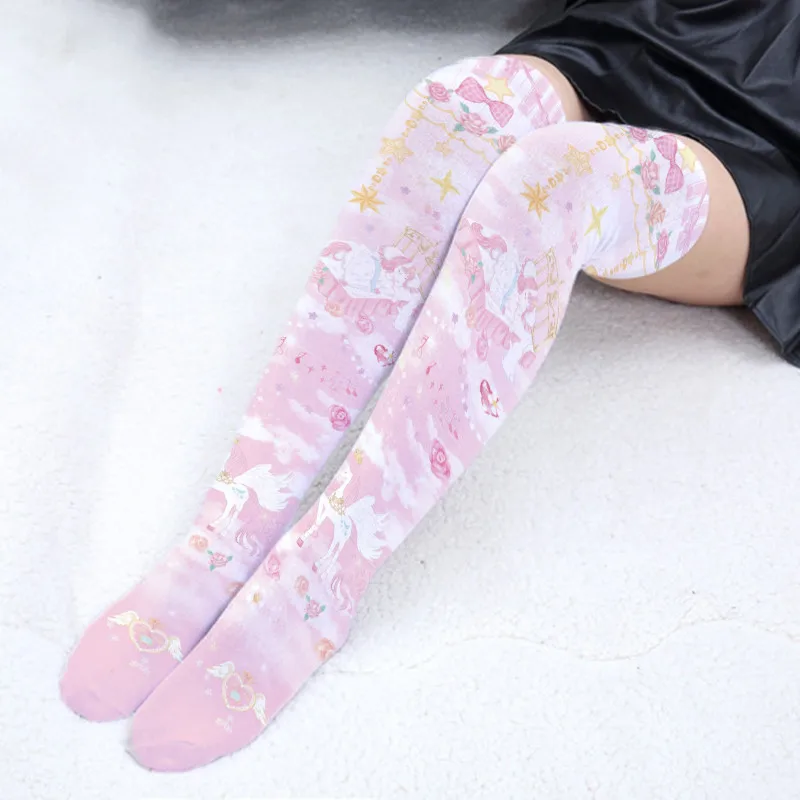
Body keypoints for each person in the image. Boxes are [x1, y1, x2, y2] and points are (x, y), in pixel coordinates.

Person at [60, 0, 800, 770]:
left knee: (554, 187)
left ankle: (316, 582)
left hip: (772, 142)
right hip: (658, 28)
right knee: (453, 112)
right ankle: (226, 535)